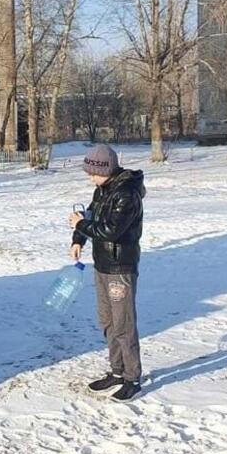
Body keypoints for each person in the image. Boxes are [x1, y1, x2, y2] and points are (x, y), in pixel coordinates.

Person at [69, 144, 146, 402]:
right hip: (102, 265)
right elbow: (90, 216)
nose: (90, 178)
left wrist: (82, 224)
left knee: (123, 324)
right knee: (108, 322)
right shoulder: (102, 190)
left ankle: (132, 377)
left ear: (107, 169)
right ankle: (117, 370)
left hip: (120, 268)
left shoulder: (126, 194)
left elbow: (112, 230)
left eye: (93, 173)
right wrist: (78, 237)